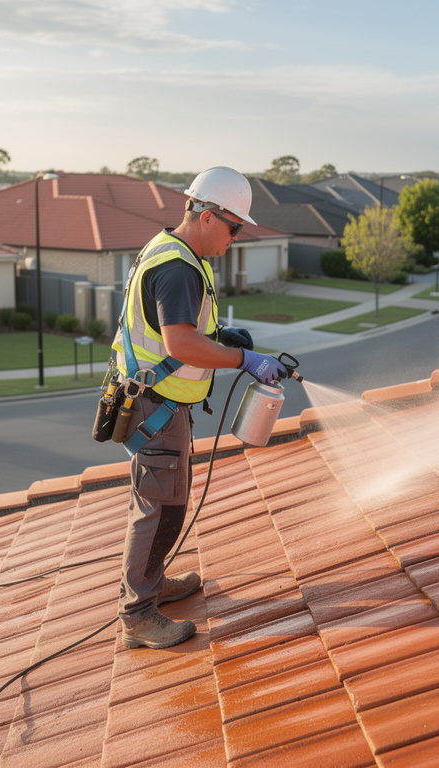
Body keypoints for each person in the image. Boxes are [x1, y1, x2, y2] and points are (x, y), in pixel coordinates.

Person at [110, 166, 287, 649]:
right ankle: (137, 615)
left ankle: (153, 584)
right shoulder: (178, 267)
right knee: (157, 507)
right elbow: (181, 343)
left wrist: (220, 339)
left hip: (161, 404)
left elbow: (183, 332)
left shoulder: (177, 252)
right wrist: (242, 358)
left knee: (172, 502)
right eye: (234, 228)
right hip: (155, 407)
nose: (235, 238)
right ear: (208, 217)